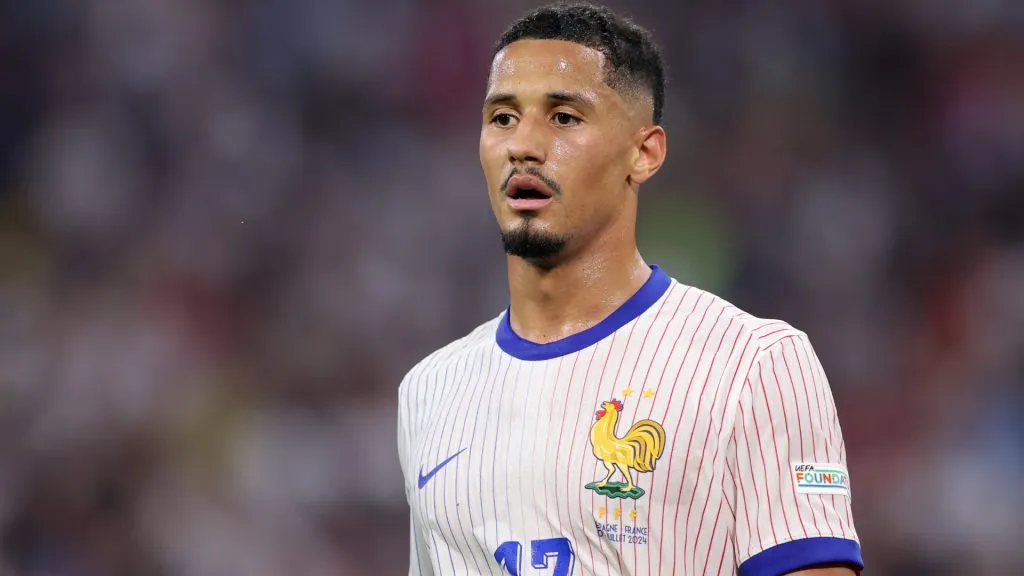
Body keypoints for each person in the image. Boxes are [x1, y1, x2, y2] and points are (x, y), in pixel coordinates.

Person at [396, 3, 864, 575]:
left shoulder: (755, 366)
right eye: (502, 118)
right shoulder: (429, 391)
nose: (524, 145)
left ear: (644, 153)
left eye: (564, 117)